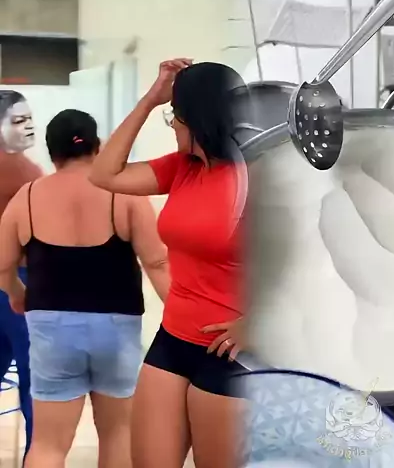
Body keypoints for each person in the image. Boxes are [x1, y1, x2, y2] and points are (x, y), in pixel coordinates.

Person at [90, 60, 248, 468]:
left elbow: (310, 261)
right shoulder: (183, 168)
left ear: (197, 118)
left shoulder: (256, 176)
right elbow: (104, 174)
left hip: (231, 353)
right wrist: (151, 99)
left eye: (174, 115)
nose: (173, 125)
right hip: (173, 338)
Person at [0, 109, 170, 468]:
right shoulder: (123, 194)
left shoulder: (26, 197)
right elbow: (157, 262)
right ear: (97, 146)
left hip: (52, 329)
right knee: (119, 433)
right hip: (116, 328)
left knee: (48, 444)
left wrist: (16, 293)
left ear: (52, 153)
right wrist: (180, 312)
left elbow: (2, 264)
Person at [0, 90, 42, 461]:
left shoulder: (26, 170)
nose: (28, 126)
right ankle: (36, 457)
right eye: (17, 120)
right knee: (32, 379)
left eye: (29, 118)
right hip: (15, 282)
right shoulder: (23, 173)